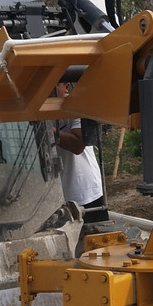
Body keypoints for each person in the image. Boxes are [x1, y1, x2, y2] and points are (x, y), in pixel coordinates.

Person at [53, 81, 109, 223]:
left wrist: (48, 131)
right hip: (53, 197)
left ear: (66, 86)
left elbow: (78, 145)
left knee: (95, 234)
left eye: (53, 85)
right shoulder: (33, 109)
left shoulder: (78, 107)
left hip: (85, 192)